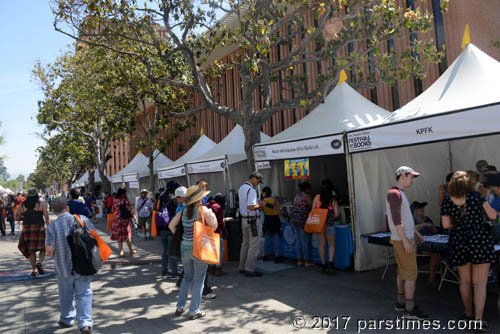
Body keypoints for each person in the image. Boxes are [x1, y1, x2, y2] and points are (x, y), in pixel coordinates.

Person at [441, 171, 496, 330]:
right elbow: (492, 215)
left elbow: (445, 225)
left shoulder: (447, 201)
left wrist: (459, 226)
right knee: (480, 284)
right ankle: (478, 321)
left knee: (464, 281)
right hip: (479, 239)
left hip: (458, 240)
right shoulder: (477, 196)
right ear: (468, 183)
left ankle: (468, 314)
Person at [45, 197, 94, 334]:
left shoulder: (51, 227)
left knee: (65, 294)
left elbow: (49, 251)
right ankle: (85, 323)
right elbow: (94, 236)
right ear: (67, 207)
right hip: (82, 266)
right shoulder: (81, 219)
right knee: (84, 293)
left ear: (54, 211)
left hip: (62, 268)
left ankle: (67, 319)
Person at [169, 185, 218, 319]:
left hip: (184, 248)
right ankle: (194, 310)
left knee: (187, 278)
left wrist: (184, 238)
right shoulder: (204, 211)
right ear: (199, 199)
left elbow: (171, 226)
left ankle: (180, 307)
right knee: (198, 280)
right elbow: (214, 226)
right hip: (199, 249)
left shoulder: (183, 212)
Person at [386, 166, 428, 319]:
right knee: (410, 275)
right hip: (402, 239)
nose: (412, 181)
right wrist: (406, 241)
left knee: (403, 272)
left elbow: (402, 218)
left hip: (403, 238)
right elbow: (397, 220)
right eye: (411, 177)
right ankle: (409, 309)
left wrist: (414, 232)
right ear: (402, 176)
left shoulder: (398, 193)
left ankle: (401, 303)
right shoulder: (395, 193)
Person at [15, 188, 50, 277]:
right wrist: (49, 227)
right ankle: (40, 263)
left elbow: (17, 217)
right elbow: (46, 217)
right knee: (43, 248)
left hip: (27, 229)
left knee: (31, 251)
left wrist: (23, 218)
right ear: (36, 195)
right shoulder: (41, 204)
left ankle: (34, 270)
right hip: (39, 228)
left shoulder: (22, 205)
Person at [238, 172, 265, 277]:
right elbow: (251, 206)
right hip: (252, 220)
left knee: (245, 244)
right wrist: (260, 205)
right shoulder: (252, 190)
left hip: (244, 219)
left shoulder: (241, 188)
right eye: (258, 181)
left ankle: (242, 267)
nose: (258, 184)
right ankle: (249, 269)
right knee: (254, 246)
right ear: (253, 178)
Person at [410, 201, 441, 286]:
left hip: (431, 242)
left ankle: (446, 274)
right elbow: (411, 230)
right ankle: (432, 278)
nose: (422, 210)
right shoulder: (411, 220)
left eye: (423, 208)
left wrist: (433, 228)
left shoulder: (427, 219)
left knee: (442, 250)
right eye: (420, 208)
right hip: (419, 245)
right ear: (415, 210)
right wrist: (424, 225)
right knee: (436, 252)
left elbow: (436, 231)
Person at [311, 179, 339, 275]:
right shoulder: (333, 200)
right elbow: (336, 214)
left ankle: (323, 265)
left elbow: (312, 211)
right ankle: (331, 265)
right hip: (329, 224)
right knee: (331, 245)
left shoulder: (316, 197)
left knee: (321, 245)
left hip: (319, 225)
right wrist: (329, 216)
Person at [156, 187, 179, 277]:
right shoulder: (174, 201)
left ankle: (164, 270)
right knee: (172, 251)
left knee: (165, 250)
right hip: (171, 229)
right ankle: (174, 271)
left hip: (162, 229)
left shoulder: (160, 199)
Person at [290, 182, 313, 267]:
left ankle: (299, 260)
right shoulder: (307, 196)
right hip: (303, 221)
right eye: (309, 188)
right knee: (304, 241)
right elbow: (312, 207)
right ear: (307, 188)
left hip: (294, 220)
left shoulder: (297, 196)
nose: (310, 190)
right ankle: (307, 261)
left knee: (298, 241)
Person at [205, 193, 229, 276]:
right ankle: (218, 269)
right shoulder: (218, 207)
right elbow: (220, 222)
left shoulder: (206, 205)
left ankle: (212, 268)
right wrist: (225, 230)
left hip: (207, 231)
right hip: (216, 232)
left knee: (211, 250)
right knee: (220, 250)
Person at [111, 188, 136, 258]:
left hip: (117, 220)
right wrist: (134, 217)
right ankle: (130, 250)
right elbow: (130, 209)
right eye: (125, 192)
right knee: (127, 235)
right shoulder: (125, 200)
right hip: (125, 220)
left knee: (119, 236)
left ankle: (121, 251)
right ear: (123, 193)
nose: (126, 194)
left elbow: (113, 210)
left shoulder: (115, 200)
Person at [261, 187, 282, 263]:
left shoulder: (263, 201)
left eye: (263, 192)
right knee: (276, 238)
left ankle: (265, 255)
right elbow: (279, 211)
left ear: (266, 193)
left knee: (267, 239)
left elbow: (262, 210)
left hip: (267, 220)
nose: (262, 194)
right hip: (275, 220)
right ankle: (277, 256)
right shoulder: (275, 199)